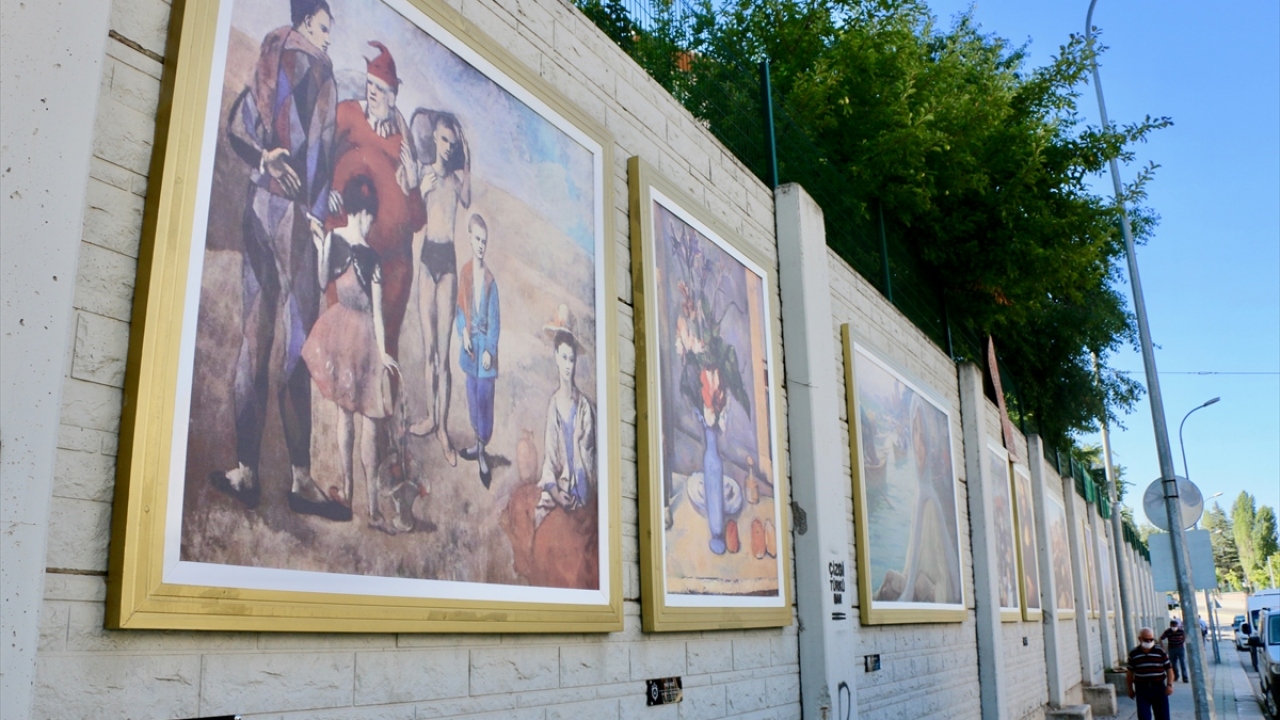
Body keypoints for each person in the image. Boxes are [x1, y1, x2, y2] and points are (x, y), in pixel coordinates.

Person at [211, 0, 346, 520]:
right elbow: (320, 143)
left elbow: (238, 125)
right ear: (310, 21)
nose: (330, 36)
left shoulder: (269, 56)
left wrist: (263, 158)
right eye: (327, 26)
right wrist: (317, 211)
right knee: (294, 343)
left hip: (257, 208)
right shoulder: (320, 70)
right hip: (293, 223)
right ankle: (300, 480)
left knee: (254, 336)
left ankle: (245, 471)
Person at [301, 176, 398, 532]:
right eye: (369, 215)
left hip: (356, 338)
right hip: (350, 335)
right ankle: (356, 496)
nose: (372, 222)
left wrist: (384, 353)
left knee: (360, 420)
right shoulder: (350, 247)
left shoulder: (359, 250)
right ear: (360, 212)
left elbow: (374, 311)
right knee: (356, 418)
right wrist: (319, 244)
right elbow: (326, 280)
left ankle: (365, 502)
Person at [404, 110, 470, 467]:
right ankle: (430, 418)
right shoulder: (425, 174)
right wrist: (417, 188)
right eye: (443, 139)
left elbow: (469, 198)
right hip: (427, 259)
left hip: (448, 262)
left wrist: (468, 165)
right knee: (429, 351)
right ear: (433, 139)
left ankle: (442, 428)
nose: (447, 147)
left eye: (452, 142)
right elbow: (412, 209)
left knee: (443, 356)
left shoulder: (456, 182)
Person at [535, 305, 597, 528]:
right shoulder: (553, 407)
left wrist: (579, 437)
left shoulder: (584, 407)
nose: (568, 365)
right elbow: (550, 460)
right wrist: (557, 493)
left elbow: (589, 460)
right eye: (564, 358)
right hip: (561, 490)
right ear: (556, 357)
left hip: (582, 490)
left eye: (571, 359)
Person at [455, 213, 500, 488]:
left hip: (485, 352)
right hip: (470, 348)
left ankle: (483, 450)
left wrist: (489, 350)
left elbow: (495, 320)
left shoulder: (491, 281)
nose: (481, 245)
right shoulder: (466, 273)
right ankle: (475, 444)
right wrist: (463, 332)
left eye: (485, 241)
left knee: (485, 398)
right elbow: (461, 308)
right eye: (477, 239)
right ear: (470, 239)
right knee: (472, 396)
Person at [1127, 626, 1175, 720]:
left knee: (1163, 716)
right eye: (1146, 639)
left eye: (1151, 639)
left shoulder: (1160, 652)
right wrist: (1129, 689)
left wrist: (1169, 685)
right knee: (1144, 716)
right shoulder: (1134, 653)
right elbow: (1129, 673)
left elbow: (1169, 670)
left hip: (1159, 688)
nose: (1149, 642)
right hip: (1142, 689)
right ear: (1140, 639)